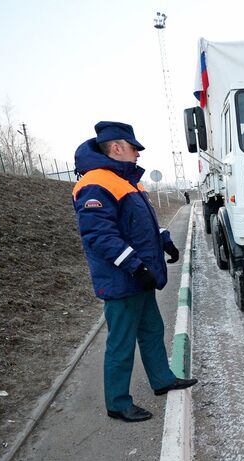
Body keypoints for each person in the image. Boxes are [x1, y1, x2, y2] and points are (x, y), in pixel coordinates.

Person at [72, 121, 198, 423]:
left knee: (152, 330)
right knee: (121, 343)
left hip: (139, 278)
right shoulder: (95, 184)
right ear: (116, 148)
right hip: (122, 280)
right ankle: (117, 402)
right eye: (134, 148)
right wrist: (136, 265)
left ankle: (162, 379)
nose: (138, 153)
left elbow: (142, 225)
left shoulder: (127, 181)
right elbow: (101, 236)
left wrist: (165, 240)